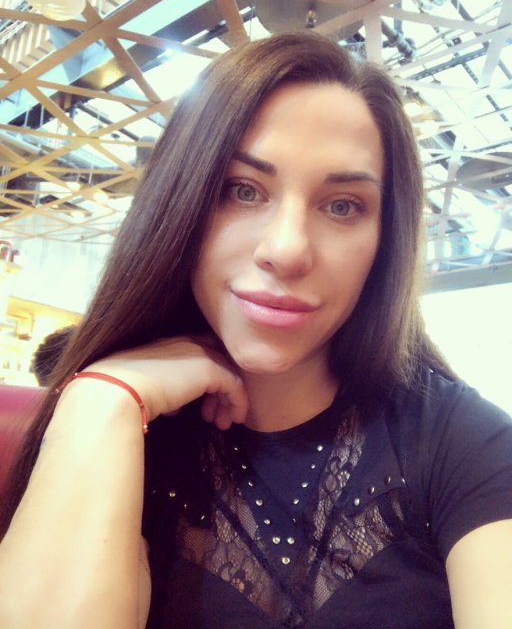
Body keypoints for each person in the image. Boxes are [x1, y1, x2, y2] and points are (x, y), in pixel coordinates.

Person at [0, 32, 511, 629]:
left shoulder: (464, 444)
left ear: (384, 241)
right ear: (180, 205)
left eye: (342, 205)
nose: (287, 250)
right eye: (241, 191)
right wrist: (100, 400)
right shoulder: (126, 436)